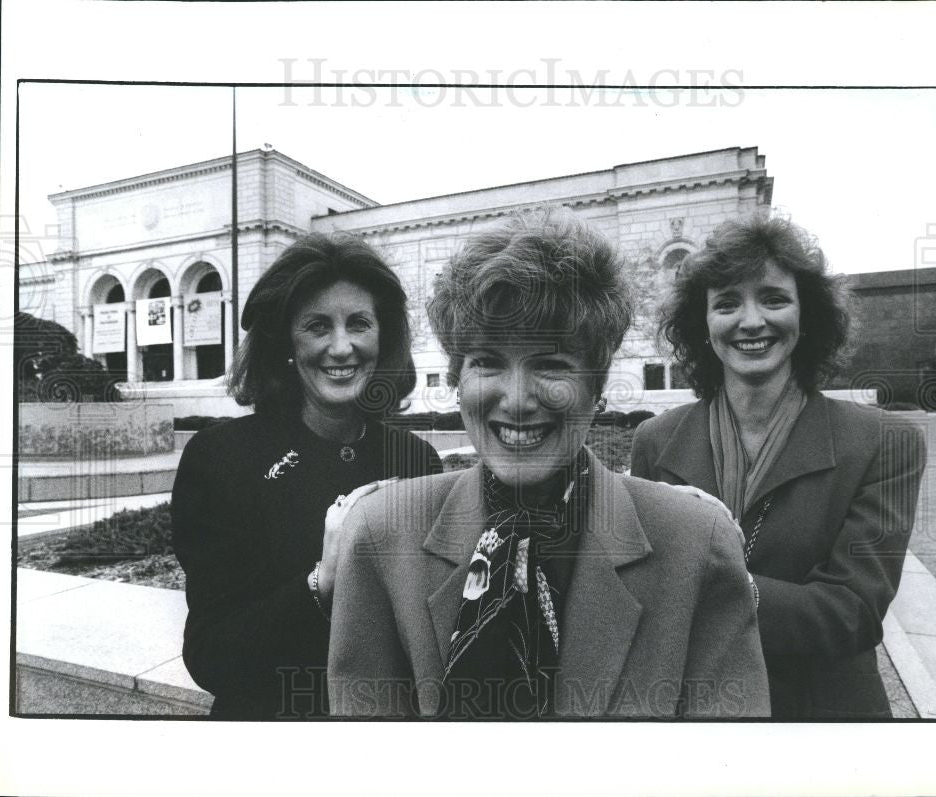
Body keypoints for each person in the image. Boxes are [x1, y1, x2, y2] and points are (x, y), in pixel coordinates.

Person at [325, 209, 769, 719]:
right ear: (457, 379)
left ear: (596, 387)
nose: (515, 400)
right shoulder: (380, 536)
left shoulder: (696, 542)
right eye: (488, 362)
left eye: (551, 364)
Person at [630, 214, 927, 719]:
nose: (750, 321)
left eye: (773, 298)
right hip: (699, 719)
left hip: (823, 725)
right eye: (726, 303)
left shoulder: (885, 442)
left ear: (806, 314)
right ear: (701, 325)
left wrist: (715, 580)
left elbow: (850, 615)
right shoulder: (655, 440)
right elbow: (644, 596)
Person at [171, 232, 442, 720]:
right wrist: (322, 583)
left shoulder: (416, 461)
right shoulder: (222, 459)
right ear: (286, 344)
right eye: (318, 326)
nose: (342, 347)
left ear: (384, 338)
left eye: (359, 323)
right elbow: (211, 658)